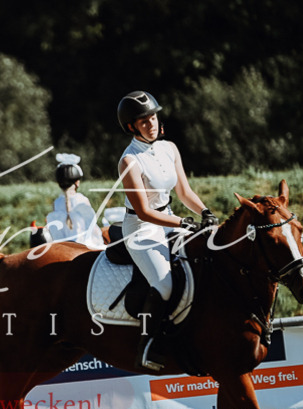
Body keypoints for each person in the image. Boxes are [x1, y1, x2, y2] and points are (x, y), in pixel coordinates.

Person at [117, 90, 217, 371]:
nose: (151, 123)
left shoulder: (169, 148)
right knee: (164, 285)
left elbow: (184, 192)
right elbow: (144, 211)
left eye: (153, 117)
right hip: (141, 229)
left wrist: (205, 212)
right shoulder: (129, 161)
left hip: (170, 218)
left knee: (207, 259)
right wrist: (182, 223)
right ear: (131, 127)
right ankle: (149, 346)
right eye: (143, 120)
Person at [39, 153, 104, 250]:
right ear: (77, 182)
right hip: (83, 245)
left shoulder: (56, 203)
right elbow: (92, 227)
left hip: (62, 247)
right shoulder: (82, 200)